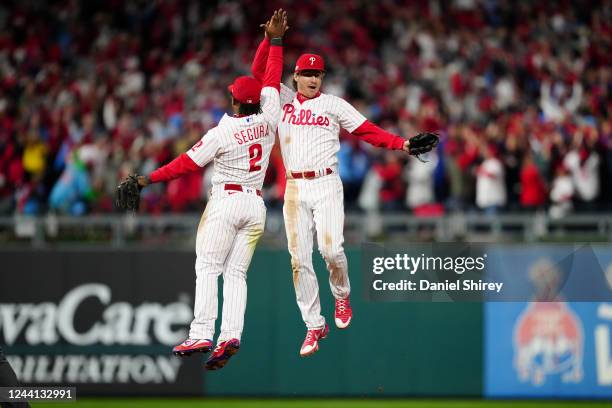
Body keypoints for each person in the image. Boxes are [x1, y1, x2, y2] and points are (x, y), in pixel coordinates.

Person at [117, 9, 287, 370]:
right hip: (256, 205)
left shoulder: (223, 132)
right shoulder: (270, 115)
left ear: (237, 102)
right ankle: (231, 336)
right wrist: (275, 42)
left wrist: (147, 180)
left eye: (232, 96)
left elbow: (185, 165)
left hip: (226, 201)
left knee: (208, 267)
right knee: (236, 274)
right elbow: (271, 76)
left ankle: (201, 332)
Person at [250, 34, 435, 356]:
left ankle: (342, 296)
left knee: (331, 250)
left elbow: (366, 130)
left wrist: (401, 144)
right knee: (298, 260)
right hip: (294, 188)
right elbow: (257, 74)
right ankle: (313, 325)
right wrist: (270, 40)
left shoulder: (333, 104)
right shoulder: (281, 99)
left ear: (322, 78)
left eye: (317, 74)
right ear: (295, 76)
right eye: (306, 74)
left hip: (326, 184)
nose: (311, 78)